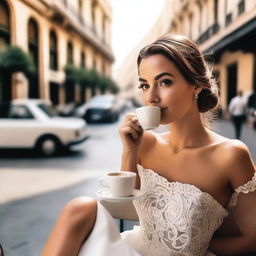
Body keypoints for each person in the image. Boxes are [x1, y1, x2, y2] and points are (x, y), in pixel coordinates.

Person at [41, 34, 256, 256]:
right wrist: (130, 150)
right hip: (134, 248)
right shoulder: (146, 143)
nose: (151, 97)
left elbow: (252, 239)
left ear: (196, 85)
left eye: (164, 82)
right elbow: (122, 208)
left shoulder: (231, 155)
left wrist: (198, 249)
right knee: (80, 207)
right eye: (145, 85)